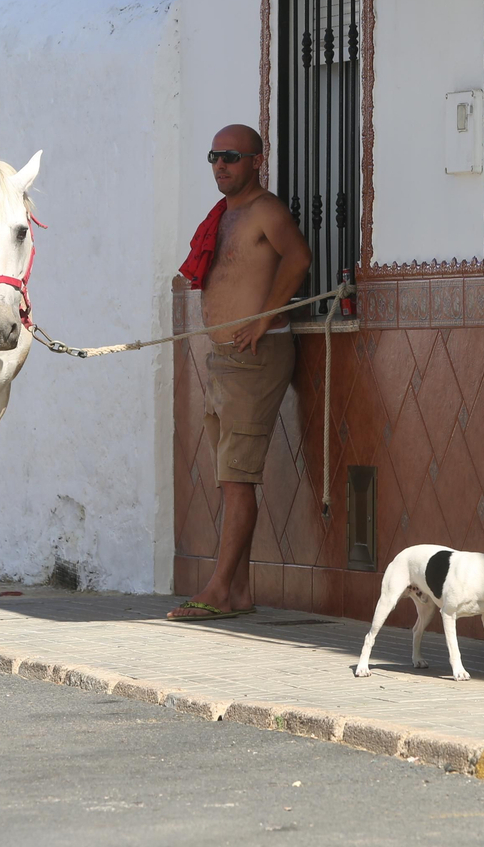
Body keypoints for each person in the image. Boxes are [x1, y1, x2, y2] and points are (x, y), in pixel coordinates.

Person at [168, 124, 312, 620]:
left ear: (256, 160)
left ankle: (216, 589)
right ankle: (239, 593)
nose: (220, 165)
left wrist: (265, 317)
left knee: (236, 480)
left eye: (230, 156)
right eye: (213, 157)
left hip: (256, 355)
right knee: (230, 479)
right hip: (223, 359)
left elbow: (299, 258)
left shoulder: (265, 210)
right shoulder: (223, 215)